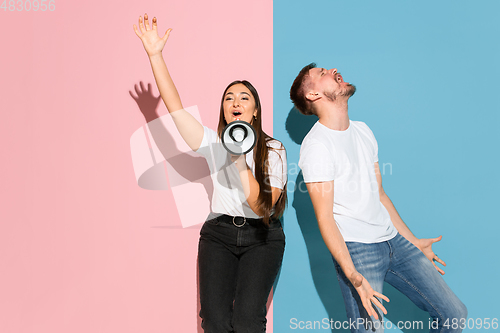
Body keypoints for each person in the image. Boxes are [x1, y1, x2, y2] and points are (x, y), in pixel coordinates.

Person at [133, 14, 287, 332]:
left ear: (255, 111)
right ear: (224, 110)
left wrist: (239, 160)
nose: (235, 101)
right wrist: (155, 55)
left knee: (247, 320)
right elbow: (176, 109)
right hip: (218, 235)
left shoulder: (274, 151)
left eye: (244, 97)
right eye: (228, 97)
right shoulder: (212, 142)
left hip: (262, 238)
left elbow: (263, 207)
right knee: (214, 322)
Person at [290, 63, 467, 333]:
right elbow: (325, 218)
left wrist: (414, 241)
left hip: (394, 241)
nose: (333, 69)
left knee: (454, 314)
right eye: (322, 72)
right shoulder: (317, 147)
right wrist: (352, 274)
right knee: (369, 331)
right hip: (357, 251)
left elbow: (380, 195)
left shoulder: (363, 131)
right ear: (313, 95)